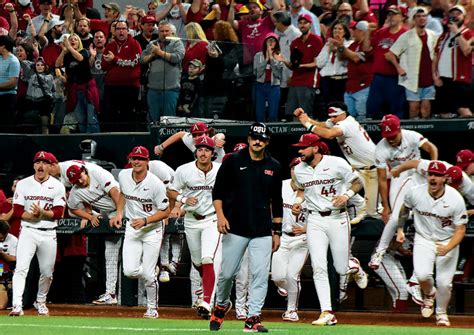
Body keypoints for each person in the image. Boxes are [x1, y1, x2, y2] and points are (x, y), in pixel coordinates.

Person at [210, 122, 282, 332]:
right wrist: (220, 216)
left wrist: (277, 232)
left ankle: (253, 316)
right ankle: (222, 305)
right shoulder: (233, 161)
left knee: (260, 275)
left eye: (262, 138)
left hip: (262, 230)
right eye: (254, 137)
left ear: (267, 141)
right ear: (249, 139)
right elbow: (218, 193)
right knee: (226, 273)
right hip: (235, 226)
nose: (257, 141)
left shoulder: (274, 166)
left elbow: (276, 201)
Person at [291, 133, 363, 326]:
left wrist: (346, 195)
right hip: (315, 220)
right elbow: (301, 188)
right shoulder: (299, 169)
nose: (300, 150)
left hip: (338, 217)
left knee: (340, 268)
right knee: (319, 267)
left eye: (303, 147)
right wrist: (298, 202)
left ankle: (353, 266)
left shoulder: (336, 163)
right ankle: (327, 312)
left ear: (315, 148)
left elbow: (358, 182)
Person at [396, 161, 467, 327]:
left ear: (445, 178)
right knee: (422, 275)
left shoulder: (455, 199)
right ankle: (429, 294)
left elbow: (460, 229)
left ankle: (441, 313)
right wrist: (400, 228)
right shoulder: (415, 193)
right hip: (424, 238)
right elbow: (404, 210)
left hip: (448, 241)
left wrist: (448, 247)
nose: (433, 178)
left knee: (444, 283)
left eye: (438, 175)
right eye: (431, 174)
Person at [369, 114, 438, 269]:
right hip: (399, 177)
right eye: (387, 136)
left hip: (418, 172)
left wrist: (434, 166)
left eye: (393, 135)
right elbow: (381, 179)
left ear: (399, 130)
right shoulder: (381, 148)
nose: (391, 139)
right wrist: (385, 206)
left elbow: (432, 148)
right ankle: (379, 252)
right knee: (394, 217)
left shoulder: (411, 136)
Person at [294, 102, 379, 220]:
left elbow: (329, 134)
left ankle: (396, 224)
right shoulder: (338, 121)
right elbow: (321, 125)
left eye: (335, 116)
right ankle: (362, 207)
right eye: (331, 117)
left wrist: (307, 124)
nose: (332, 120)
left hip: (371, 169)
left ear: (343, 114)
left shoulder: (347, 124)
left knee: (375, 212)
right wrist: (305, 118)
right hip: (360, 168)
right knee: (340, 186)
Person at [168, 136, 222, 319]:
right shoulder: (184, 170)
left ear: (213, 153)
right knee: (197, 262)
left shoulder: (221, 170)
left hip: (212, 220)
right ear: (195, 152)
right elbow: (171, 190)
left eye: (207, 149)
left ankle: (206, 301)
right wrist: (182, 200)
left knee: (208, 258)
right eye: (200, 149)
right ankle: (205, 285)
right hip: (191, 219)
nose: (203, 153)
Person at [9, 151, 66, 316]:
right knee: (21, 268)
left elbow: (58, 212)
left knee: (47, 272)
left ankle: (41, 300)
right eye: (38, 162)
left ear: (50, 166)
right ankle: (17, 305)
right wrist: (33, 216)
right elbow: (18, 211)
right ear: (34, 165)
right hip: (28, 230)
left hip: (48, 232)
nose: (41, 165)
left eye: (45, 162)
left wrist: (42, 213)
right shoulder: (23, 184)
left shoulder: (57, 185)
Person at [119, 146, 170, 318]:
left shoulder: (155, 183)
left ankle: (152, 308)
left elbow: (165, 211)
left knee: (148, 274)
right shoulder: (123, 175)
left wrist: (146, 221)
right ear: (130, 160)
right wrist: (119, 212)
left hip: (152, 229)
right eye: (134, 158)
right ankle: (151, 273)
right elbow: (122, 194)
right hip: (133, 228)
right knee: (129, 271)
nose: (137, 162)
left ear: (147, 161)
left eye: (140, 159)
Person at [66, 163, 124, 305]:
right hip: (109, 213)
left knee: (132, 261)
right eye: (75, 181)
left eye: (80, 177)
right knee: (110, 254)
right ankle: (110, 294)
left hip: (126, 206)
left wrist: (119, 214)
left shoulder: (98, 174)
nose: (79, 181)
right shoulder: (76, 190)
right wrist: (89, 216)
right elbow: (72, 208)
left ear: (84, 171)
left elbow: (116, 193)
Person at [271, 157, 308, 322]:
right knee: (277, 277)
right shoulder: (281, 185)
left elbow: (321, 215)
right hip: (283, 237)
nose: (296, 171)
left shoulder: (312, 189)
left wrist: (307, 229)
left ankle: (291, 310)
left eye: (300, 167)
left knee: (293, 275)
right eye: (294, 167)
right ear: (291, 170)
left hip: (302, 239)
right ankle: (291, 289)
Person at [385, 7, 438, 119]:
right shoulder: (406, 36)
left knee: (426, 109)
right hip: (412, 79)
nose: (421, 18)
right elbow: (390, 54)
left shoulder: (432, 35)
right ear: (413, 19)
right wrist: (399, 68)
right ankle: (413, 134)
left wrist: (435, 74)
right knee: (414, 109)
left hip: (428, 78)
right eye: (418, 16)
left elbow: (435, 55)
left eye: (424, 16)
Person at [277, 14, 323, 121]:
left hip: (309, 81)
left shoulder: (316, 40)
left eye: (305, 23)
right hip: (294, 82)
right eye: (300, 23)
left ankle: (308, 137)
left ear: (310, 25)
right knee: (293, 114)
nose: (302, 25)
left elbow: (317, 63)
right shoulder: (295, 43)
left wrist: (301, 66)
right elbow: (293, 66)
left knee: (305, 114)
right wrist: (283, 60)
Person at [365, 5, 407, 119]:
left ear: (402, 17)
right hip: (378, 77)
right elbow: (366, 49)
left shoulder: (406, 34)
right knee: (373, 109)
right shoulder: (380, 32)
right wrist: (368, 33)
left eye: (394, 14)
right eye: (389, 14)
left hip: (395, 78)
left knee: (395, 111)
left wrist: (394, 58)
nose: (391, 17)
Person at [432, 5, 473, 119]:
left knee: (463, 110)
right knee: (444, 112)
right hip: (443, 79)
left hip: (459, 79)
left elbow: (466, 50)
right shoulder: (443, 36)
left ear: (464, 17)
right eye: (452, 13)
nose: (454, 16)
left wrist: (456, 32)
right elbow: (435, 57)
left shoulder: (469, 33)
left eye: (458, 13)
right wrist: (435, 76)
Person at [101, 20, 142, 132]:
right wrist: (120, 62)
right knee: (111, 115)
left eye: (123, 29)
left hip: (130, 86)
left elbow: (134, 63)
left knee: (127, 115)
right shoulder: (109, 45)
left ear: (128, 31)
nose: (121, 31)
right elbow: (104, 66)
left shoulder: (135, 44)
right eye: (118, 29)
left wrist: (115, 59)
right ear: (114, 31)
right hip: (111, 86)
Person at [140, 20, 184, 123]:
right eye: (161, 31)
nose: (164, 33)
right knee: (153, 121)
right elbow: (142, 59)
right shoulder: (153, 44)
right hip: (153, 89)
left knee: (169, 121)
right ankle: (154, 139)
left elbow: (177, 58)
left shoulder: (177, 43)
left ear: (172, 33)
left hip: (170, 89)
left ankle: (168, 139)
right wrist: (153, 55)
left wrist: (159, 52)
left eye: (166, 31)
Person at [154, 121, 226, 163]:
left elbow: (220, 135)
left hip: (219, 172)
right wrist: (161, 147)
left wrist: (218, 139)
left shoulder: (213, 140)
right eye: (194, 135)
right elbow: (180, 134)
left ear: (207, 134)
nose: (197, 137)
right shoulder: (192, 140)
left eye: (200, 134)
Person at [253, 32, 283, 122]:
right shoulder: (258, 56)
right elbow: (258, 73)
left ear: (276, 43)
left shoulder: (279, 56)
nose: (271, 42)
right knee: (259, 114)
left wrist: (272, 58)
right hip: (260, 86)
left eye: (273, 41)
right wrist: (266, 60)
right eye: (268, 40)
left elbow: (278, 74)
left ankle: (272, 134)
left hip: (274, 87)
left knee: (273, 114)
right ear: (265, 43)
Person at [0, 35, 20, 132]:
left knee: (5, 126)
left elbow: (12, 83)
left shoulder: (13, 61)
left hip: (7, 98)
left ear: (3, 46)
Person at [0, 220, 17, 310]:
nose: (2, 239)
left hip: (4, 271)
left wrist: (2, 254)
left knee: (1, 306)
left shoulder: (13, 240)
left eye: (4, 237)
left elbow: (14, 259)